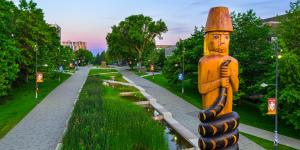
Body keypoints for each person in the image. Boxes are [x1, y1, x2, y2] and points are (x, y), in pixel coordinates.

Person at [198, 7, 239, 116]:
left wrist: (231, 75)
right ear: (207, 39)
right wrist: (219, 82)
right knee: (211, 128)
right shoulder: (205, 62)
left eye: (226, 37)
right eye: (216, 37)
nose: (222, 42)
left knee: (232, 122)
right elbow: (202, 89)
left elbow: (236, 88)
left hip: (227, 111)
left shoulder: (233, 62)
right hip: (211, 110)